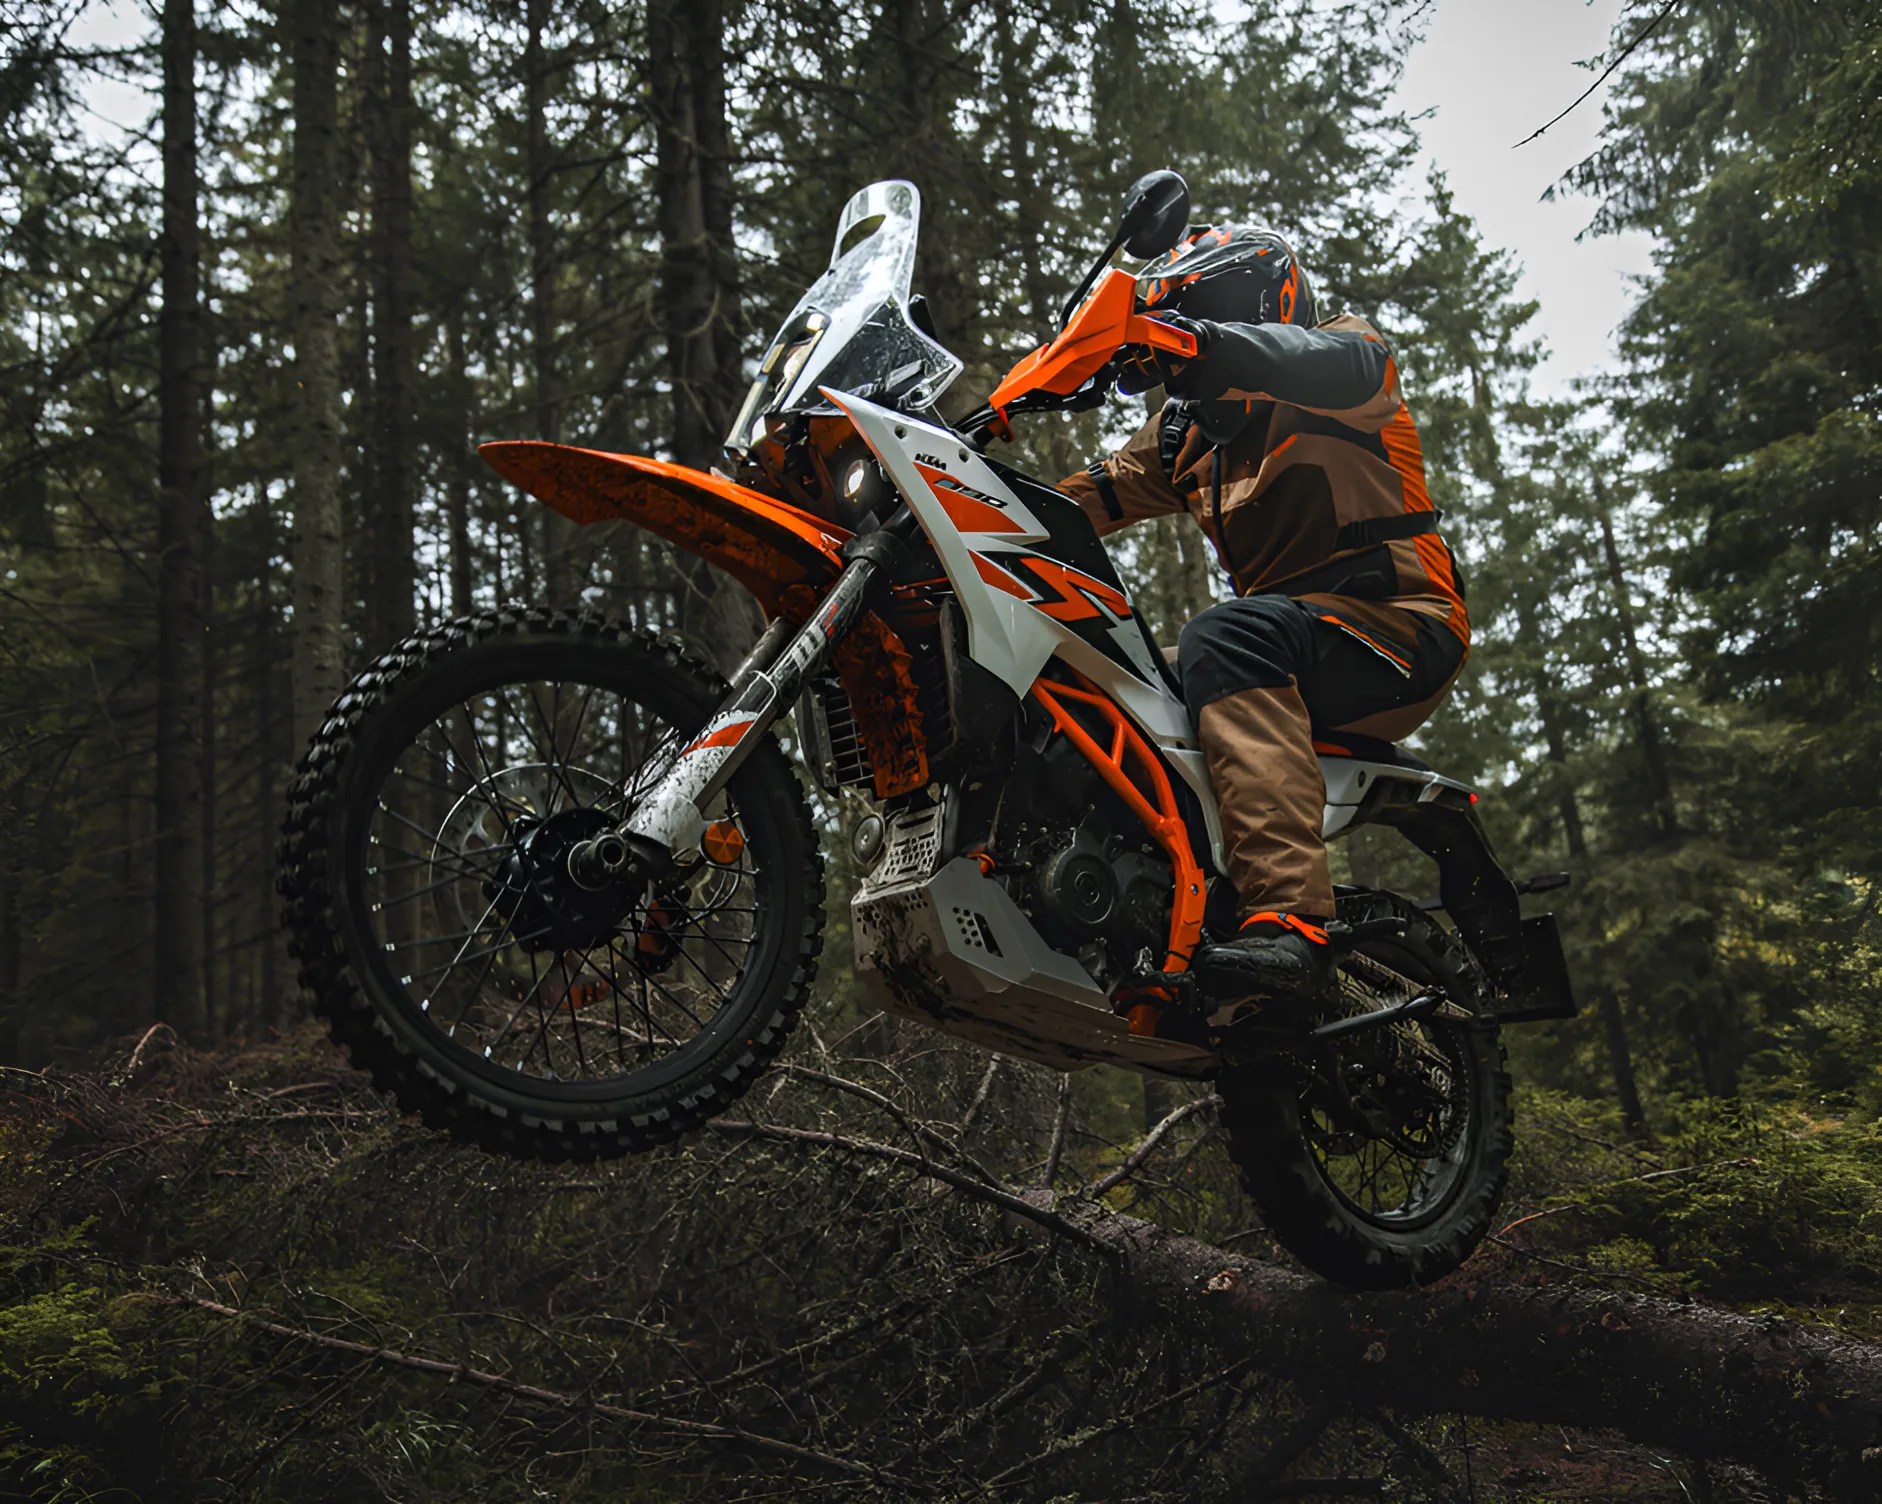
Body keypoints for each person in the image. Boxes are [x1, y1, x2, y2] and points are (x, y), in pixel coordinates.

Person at [1057, 224, 1470, 1007]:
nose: (1188, 332)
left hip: (1401, 625)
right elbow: (1066, 507)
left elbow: (1327, 361)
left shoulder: (1346, 361)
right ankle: (1156, 910)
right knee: (1101, 679)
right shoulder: (1181, 436)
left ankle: (1291, 922)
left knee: (1224, 633)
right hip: (1284, 647)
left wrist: (1202, 342)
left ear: (1266, 300)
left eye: (1209, 307)